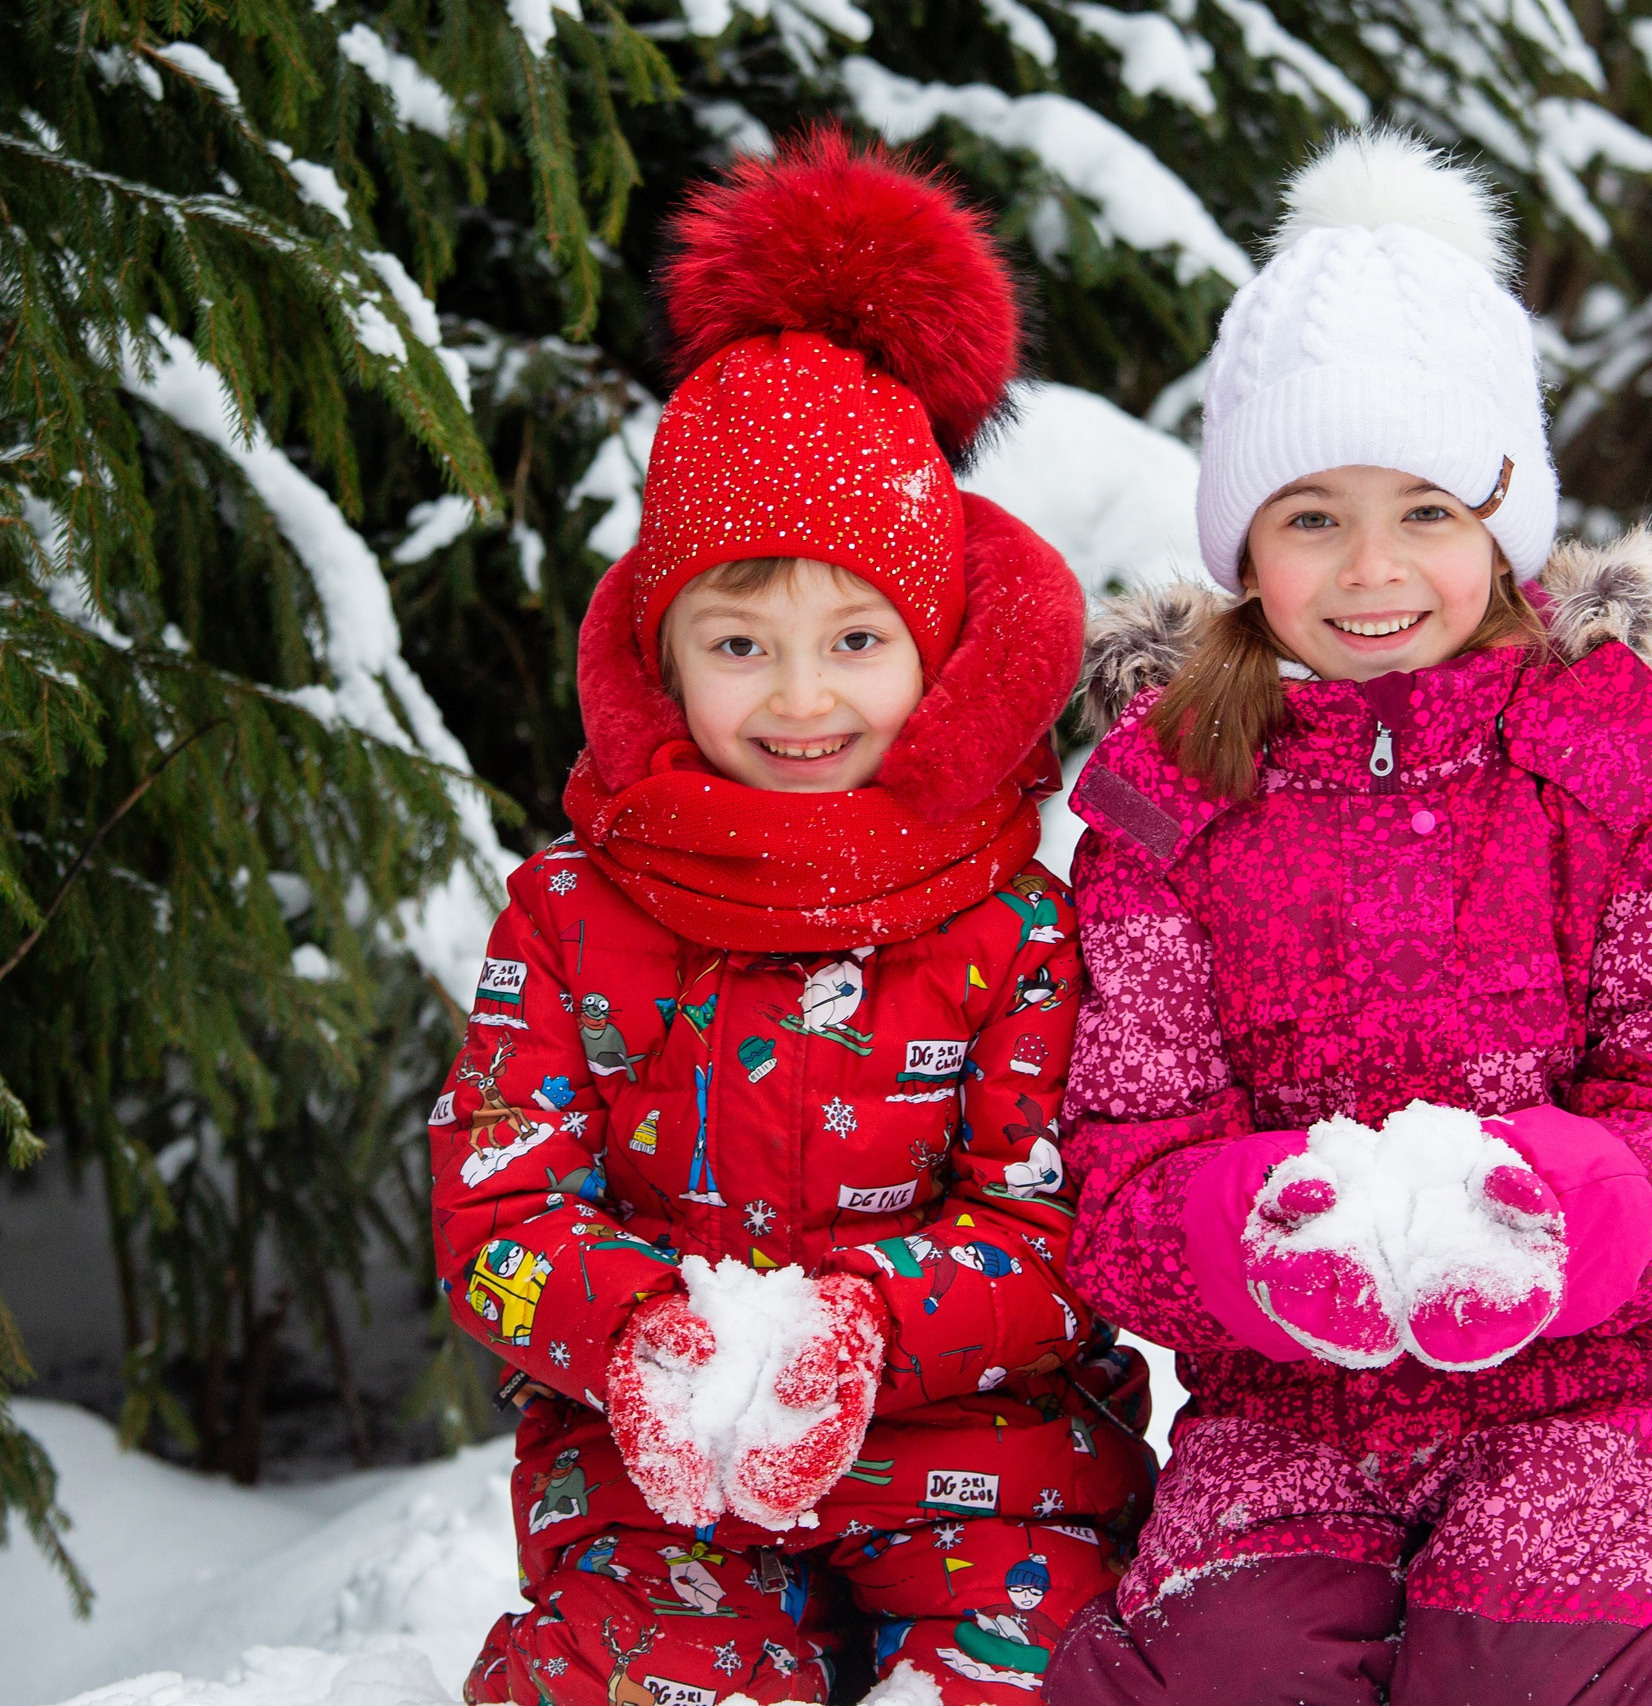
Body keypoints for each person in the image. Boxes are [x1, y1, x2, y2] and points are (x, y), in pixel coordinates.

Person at [1043, 130, 1652, 1706]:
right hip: (1284, 1420)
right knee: (1205, 1681)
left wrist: (1569, 1209)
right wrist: (1261, 1239)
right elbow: (1117, 1168)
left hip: (1596, 1390)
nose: (1373, 570)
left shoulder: (1625, 758)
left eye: (1429, 511)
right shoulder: (1166, 800)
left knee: (1557, 1673)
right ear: (1242, 540)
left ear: (1502, 521)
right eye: (1311, 517)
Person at [431, 133, 1151, 1706]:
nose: (804, 695)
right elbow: (497, 1212)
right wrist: (639, 1338)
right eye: (742, 640)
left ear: (938, 644)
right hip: (661, 1483)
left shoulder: (1020, 925)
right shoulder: (566, 915)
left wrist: (868, 1333)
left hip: (987, 1482)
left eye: (855, 636)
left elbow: (1062, 1229)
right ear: (664, 650)